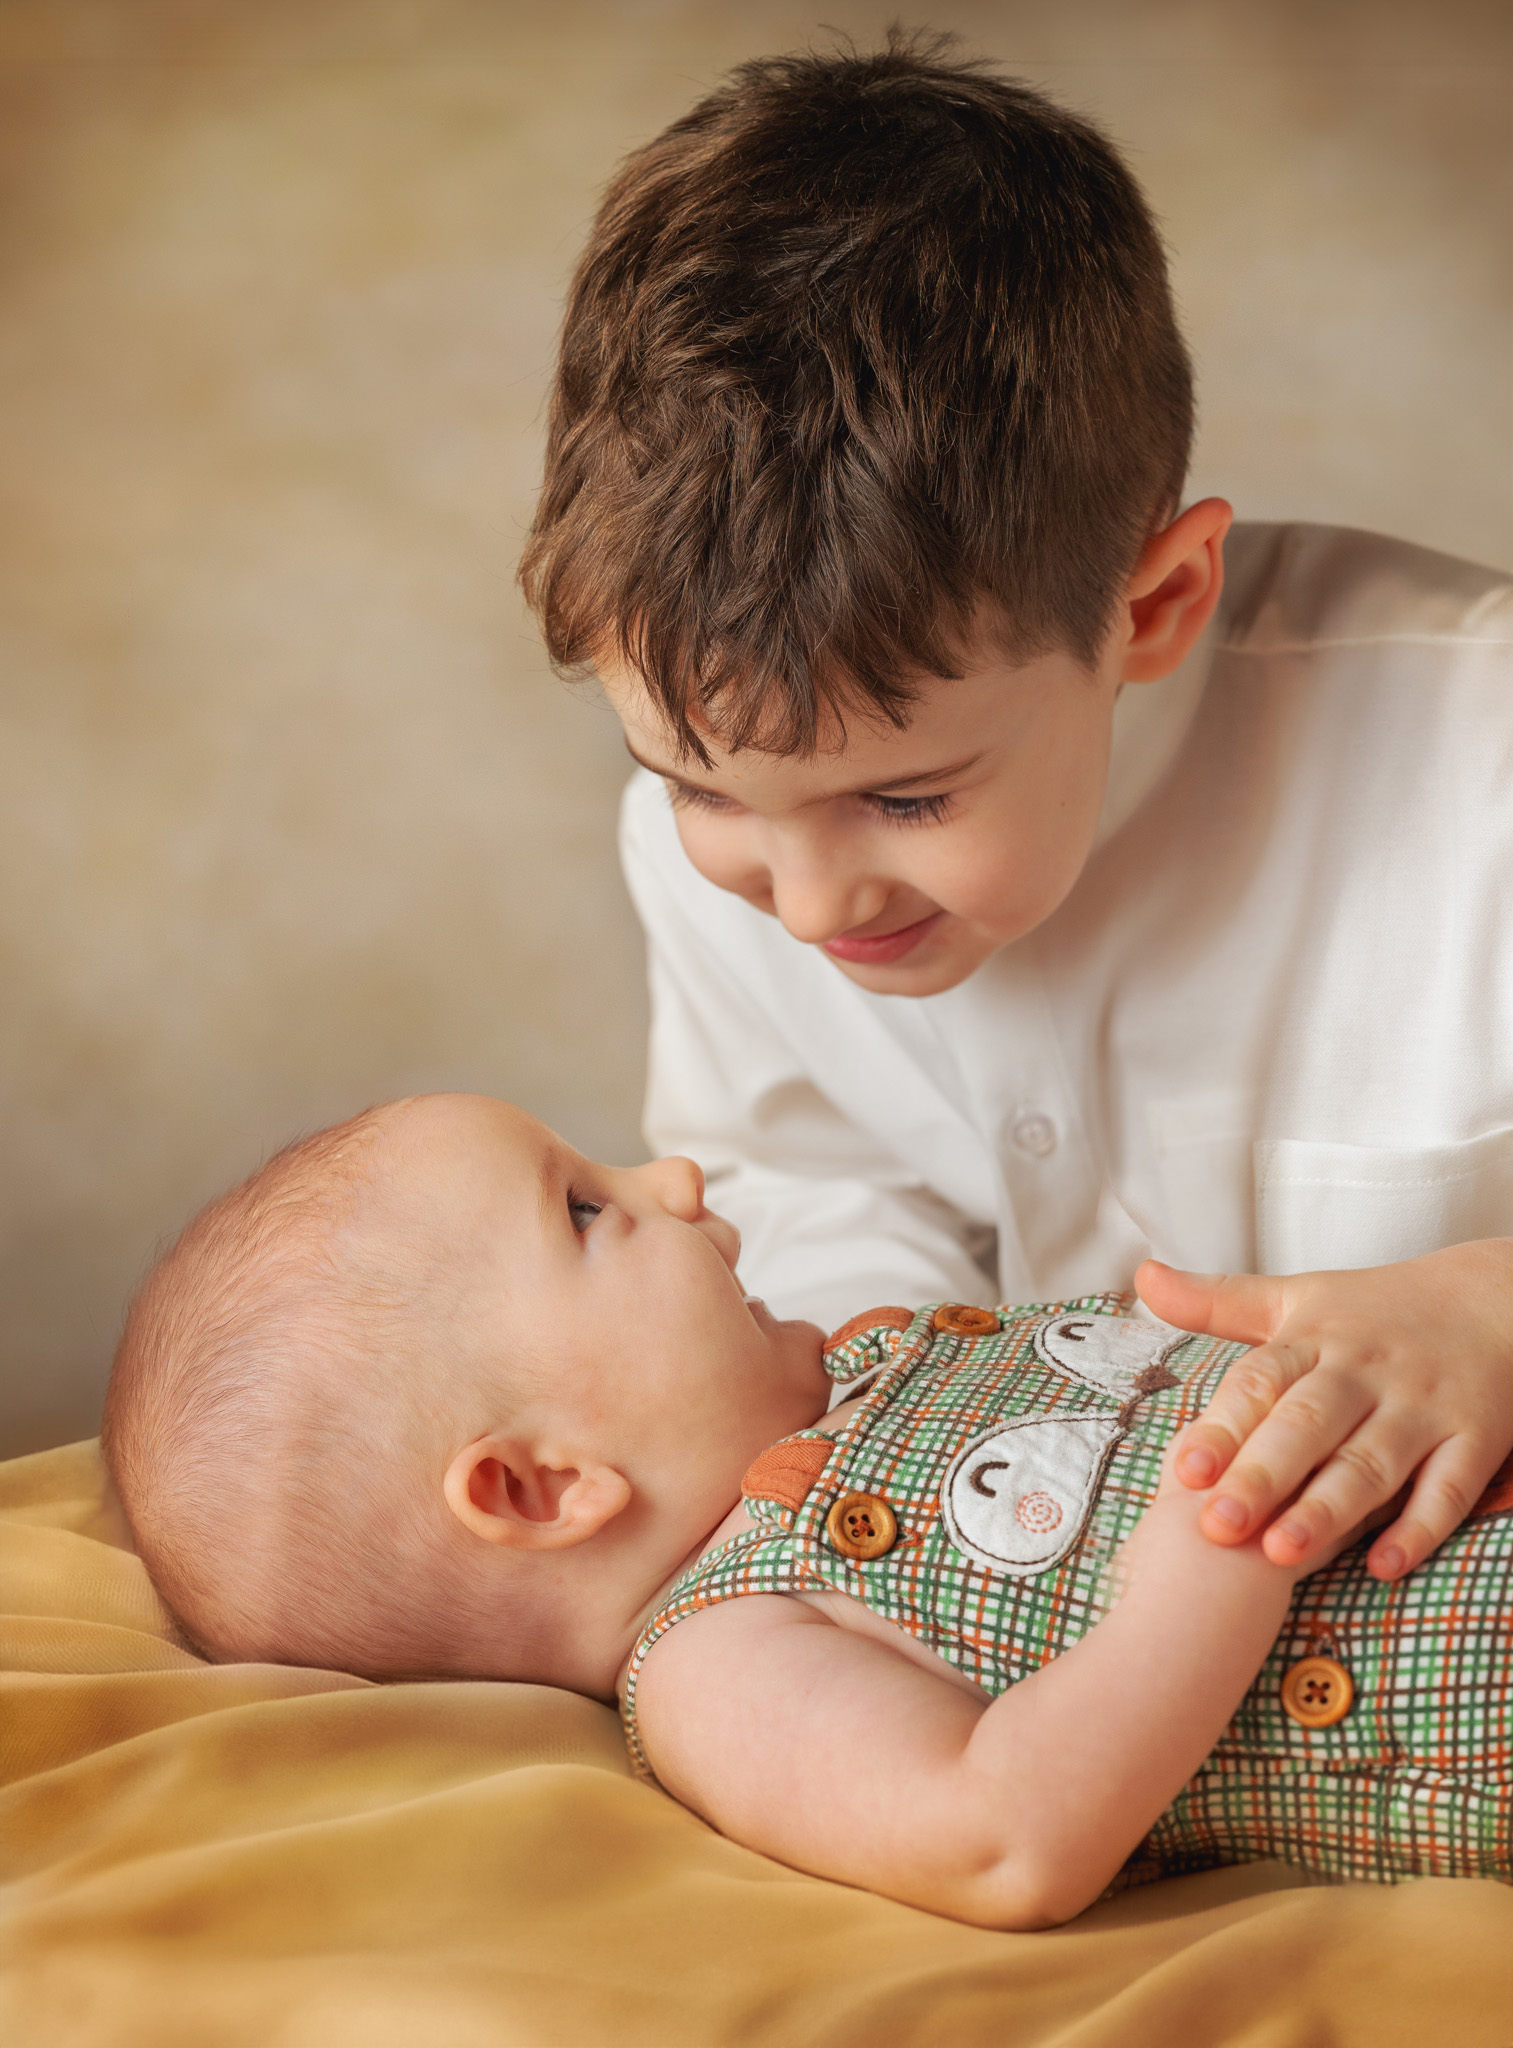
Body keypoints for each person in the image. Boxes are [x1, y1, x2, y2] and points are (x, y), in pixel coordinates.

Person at [517, 35, 1513, 1593]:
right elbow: (805, 1189)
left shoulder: (1482, 755)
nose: (805, 899)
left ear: (1158, 603)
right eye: (700, 784)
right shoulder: (713, 867)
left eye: (904, 794)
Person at [102, 1095, 1512, 1928]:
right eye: (588, 1212)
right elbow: (998, 1834)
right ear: (542, 1487)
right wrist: (1209, 1554)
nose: (674, 1180)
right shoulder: (716, 1662)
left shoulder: (852, 1373)